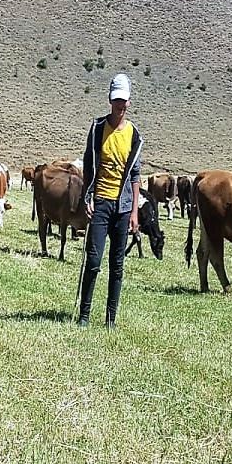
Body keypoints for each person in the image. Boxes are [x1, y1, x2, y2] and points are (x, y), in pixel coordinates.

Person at [78, 73, 143, 328]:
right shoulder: (96, 129)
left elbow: (135, 175)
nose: (120, 104)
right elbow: (87, 165)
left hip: (123, 206)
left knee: (117, 265)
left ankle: (110, 320)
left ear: (129, 102)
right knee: (93, 261)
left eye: (124, 100)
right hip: (100, 203)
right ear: (109, 99)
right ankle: (84, 316)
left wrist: (135, 212)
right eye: (116, 99)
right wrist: (88, 197)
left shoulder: (134, 136)